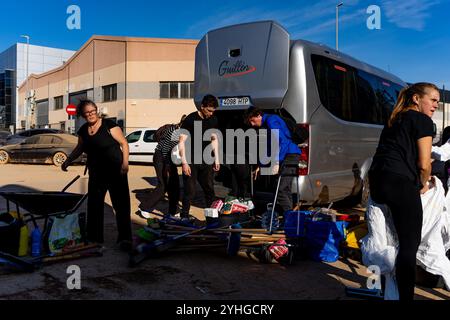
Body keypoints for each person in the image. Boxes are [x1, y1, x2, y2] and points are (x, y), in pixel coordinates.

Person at [368, 82, 440, 300]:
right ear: (417, 99)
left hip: (378, 182)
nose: (436, 105)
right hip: (400, 184)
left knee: (386, 241)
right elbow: (424, 163)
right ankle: (405, 297)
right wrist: (424, 182)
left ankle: (384, 290)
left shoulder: (394, 119)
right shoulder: (422, 120)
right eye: (433, 100)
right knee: (409, 247)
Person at [62, 100, 132, 251]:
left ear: (96, 110)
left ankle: (125, 239)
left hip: (115, 170)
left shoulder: (109, 125)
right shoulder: (83, 130)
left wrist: (125, 164)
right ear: (82, 115)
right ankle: (95, 238)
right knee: (94, 205)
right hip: (96, 172)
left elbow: (124, 143)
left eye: (93, 111)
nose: (91, 115)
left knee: (121, 205)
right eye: (87, 113)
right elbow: (79, 148)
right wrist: (68, 160)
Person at [244, 107, 302, 213]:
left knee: (280, 189)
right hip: (287, 155)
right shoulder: (266, 125)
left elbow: (282, 141)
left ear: (258, 115)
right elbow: (269, 147)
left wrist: (276, 161)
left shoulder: (271, 120)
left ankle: (289, 216)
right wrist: (261, 165)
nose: (252, 124)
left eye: (252, 120)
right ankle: (291, 217)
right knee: (285, 189)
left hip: (290, 154)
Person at [178, 95, 220, 220]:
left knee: (209, 190)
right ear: (202, 107)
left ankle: (211, 217)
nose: (211, 113)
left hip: (206, 159)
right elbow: (181, 142)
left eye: (213, 111)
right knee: (190, 191)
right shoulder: (190, 119)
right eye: (209, 110)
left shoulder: (213, 120)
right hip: (191, 160)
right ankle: (184, 216)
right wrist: (184, 163)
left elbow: (214, 139)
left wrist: (216, 159)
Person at [138, 115, 186, 219]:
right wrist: (167, 167)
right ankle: (144, 207)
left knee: (174, 185)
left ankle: (173, 212)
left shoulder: (178, 131)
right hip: (162, 158)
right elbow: (165, 148)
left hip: (168, 158)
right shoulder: (174, 131)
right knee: (163, 185)